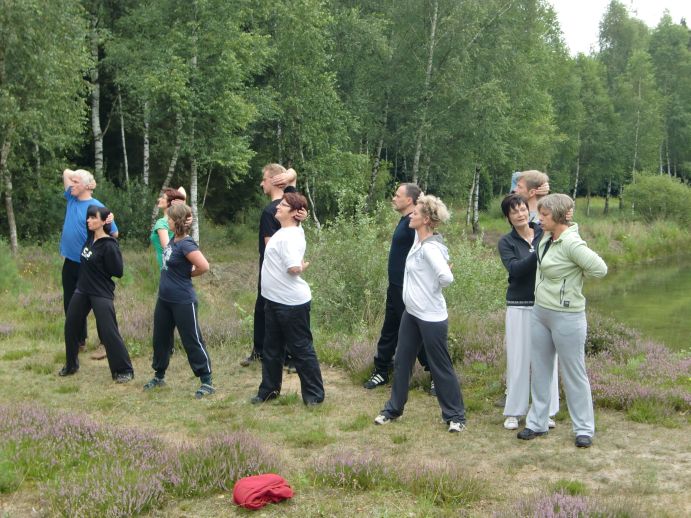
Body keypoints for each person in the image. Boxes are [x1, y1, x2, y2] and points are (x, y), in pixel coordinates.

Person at [517, 194, 607, 448]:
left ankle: (584, 429)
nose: (539, 219)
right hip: (541, 312)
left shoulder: (572, 243)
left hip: (568, 316)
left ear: (558, 216)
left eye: (544, 215)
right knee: (541, 370)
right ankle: (537, 423)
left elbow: (600, 269)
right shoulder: (546, 237)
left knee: (574, 373)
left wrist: (576, 275)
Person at [374, 195, 466, 433]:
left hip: (431, 317)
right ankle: (393, 409)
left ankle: (455, 416)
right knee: (402, 362)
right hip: (412, 315)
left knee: (440, 365)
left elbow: (447, 277)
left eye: (415, 213)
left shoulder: (430, 248)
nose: (410, 216)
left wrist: (440, 274)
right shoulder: (419, 240)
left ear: (425, 219)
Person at [251, 192, 324, 405]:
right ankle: (268, 391)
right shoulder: (289, 231)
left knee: (301, 349)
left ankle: (314, 398)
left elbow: (293, 268)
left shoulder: (290, 236)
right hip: (273, 301)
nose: (277, 208)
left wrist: (301, 267)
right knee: (271, 349)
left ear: (293, 213)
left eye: (283, 206)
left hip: (290, 305)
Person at [497, 194, 559, 431]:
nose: (521, 214)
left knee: (547, 359)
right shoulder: (507, 242)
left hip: (546, 304)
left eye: (523, 209)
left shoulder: (545, 232)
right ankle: (514, 411)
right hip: (519, 305)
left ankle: (547, 411)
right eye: (514, 212)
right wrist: (536, 253)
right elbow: (515, 269)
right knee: (518, 358)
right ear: (508, 217)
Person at [143, 203, 215, 399]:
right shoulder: (174, 240)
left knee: (191, 339)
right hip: (164, 299)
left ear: (175, 222)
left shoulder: (186, 244)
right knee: (161, 339)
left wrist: (188, 274)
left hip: (183, 301)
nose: (166, 221)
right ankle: (159, 376)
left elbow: (204, 266)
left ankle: (206, 380)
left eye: (169, 219)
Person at [363, 183, 430, 391]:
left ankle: (436, 373)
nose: (393, 198)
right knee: (389, 330)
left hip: (407, 289)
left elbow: (427, 248)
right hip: (395, 287)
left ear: (409, 200)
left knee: (417, 333)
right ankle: (381, 370)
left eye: (397, 195)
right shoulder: (405, 221)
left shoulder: (414, 223)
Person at [59, 205, 134, 382]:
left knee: (109, 332)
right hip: (82, 290)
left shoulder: (109, 245)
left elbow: (118, 271)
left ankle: (124, 370)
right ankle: (71, 365)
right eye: (89, 217)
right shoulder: (90, 237)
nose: (89, 220)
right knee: (71, 325)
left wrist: (111, 219)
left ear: (102, 222)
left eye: (93, 218)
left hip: (100, 292)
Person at [60, 168, 118, 361]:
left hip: (89, 263)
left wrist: (108, 223)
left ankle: (105, 344)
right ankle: (78, 341)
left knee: (99, 304)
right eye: (72, 182)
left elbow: (114, 234)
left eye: (76, 182)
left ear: (85, 186)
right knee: (72, 304)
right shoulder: (71, 198)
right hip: (70, 261)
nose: (71, 185)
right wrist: (79, 177)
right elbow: (66, 172)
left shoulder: (97, 206)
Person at [150, 187, 187, 270]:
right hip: (175, 268)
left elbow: (167, 250)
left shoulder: (162, 222)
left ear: (170, 203)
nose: (159, 199)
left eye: (163, 197)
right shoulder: (176, 220)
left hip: (166, 269)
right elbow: (182, 190)